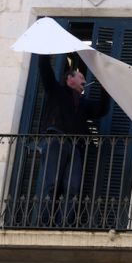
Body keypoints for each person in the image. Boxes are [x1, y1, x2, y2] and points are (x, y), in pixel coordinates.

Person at [31, 54, 110, 226]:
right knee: (50, 182)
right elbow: (45, 68)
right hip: (55, 141)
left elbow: (102, 109)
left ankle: (64, 222)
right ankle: (42, 222)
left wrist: (105, 85)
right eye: (81, 76)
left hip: (75, 146)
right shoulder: (55, 90)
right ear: (69, 79)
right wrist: (46, 50)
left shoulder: (84, 103)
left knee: (73, 187)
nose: (84, 80)